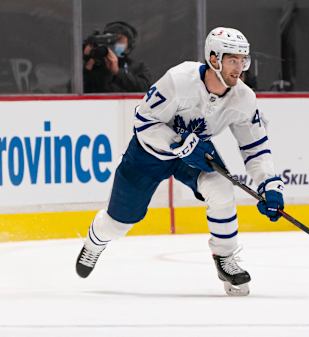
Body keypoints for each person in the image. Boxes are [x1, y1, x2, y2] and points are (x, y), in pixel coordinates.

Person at [75, 27, 285, 296]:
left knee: (221, 188)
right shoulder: (179, 79)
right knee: (118, 224)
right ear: (213, 58)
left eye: (243, 60)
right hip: (148, 153)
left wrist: (269, 184)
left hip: (195, 150)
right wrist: (177, 143)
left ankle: (225, 259)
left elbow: (255, 148)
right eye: (233, 60)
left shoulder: (244, 98)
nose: (240, 68)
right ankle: (95, 240)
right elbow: (143, 122)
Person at [83, 21, 151, 93]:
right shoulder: (96, 65)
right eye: (110, 41)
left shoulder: (138, 67)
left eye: (119, 41)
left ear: (129, 45)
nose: (114, 44)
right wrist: (87, 67)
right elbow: (74, 91)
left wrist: (117, 72)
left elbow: (147, 91)